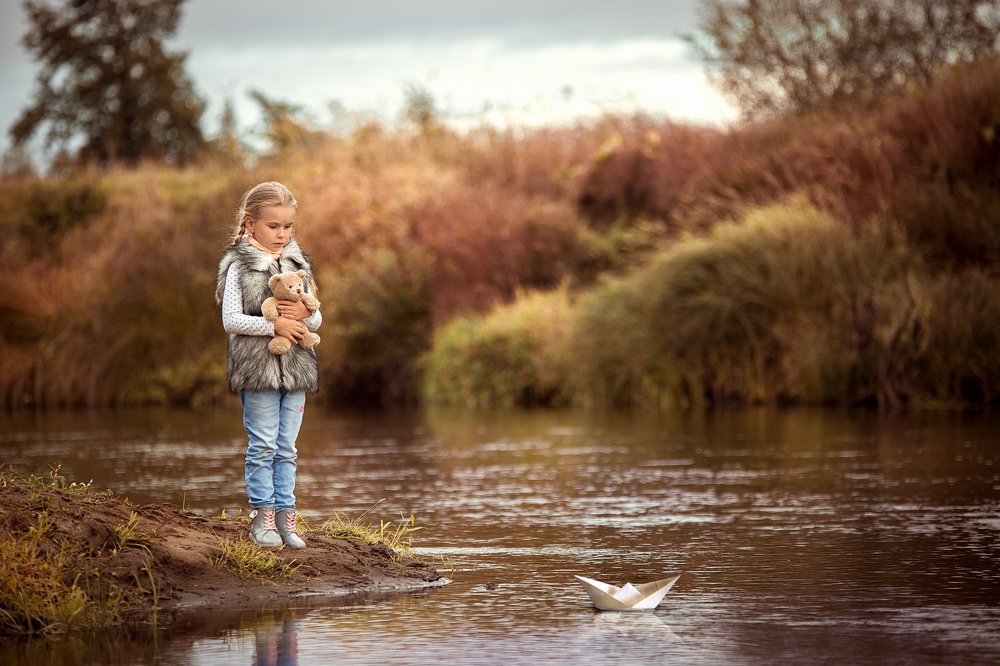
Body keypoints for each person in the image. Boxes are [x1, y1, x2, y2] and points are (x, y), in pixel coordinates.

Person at [215, 181, 321, 548]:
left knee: (287, 447)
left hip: (296, 368)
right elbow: (231, 320)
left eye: (287, 226)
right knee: (262, 445)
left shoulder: (298, 264)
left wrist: (303, 315)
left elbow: (318, 320)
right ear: (250, 223)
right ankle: (262, 520)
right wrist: (274, 324)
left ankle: (286, 520)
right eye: (273, 226)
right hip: (256, 371)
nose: (281, 234)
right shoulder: (238, 265)